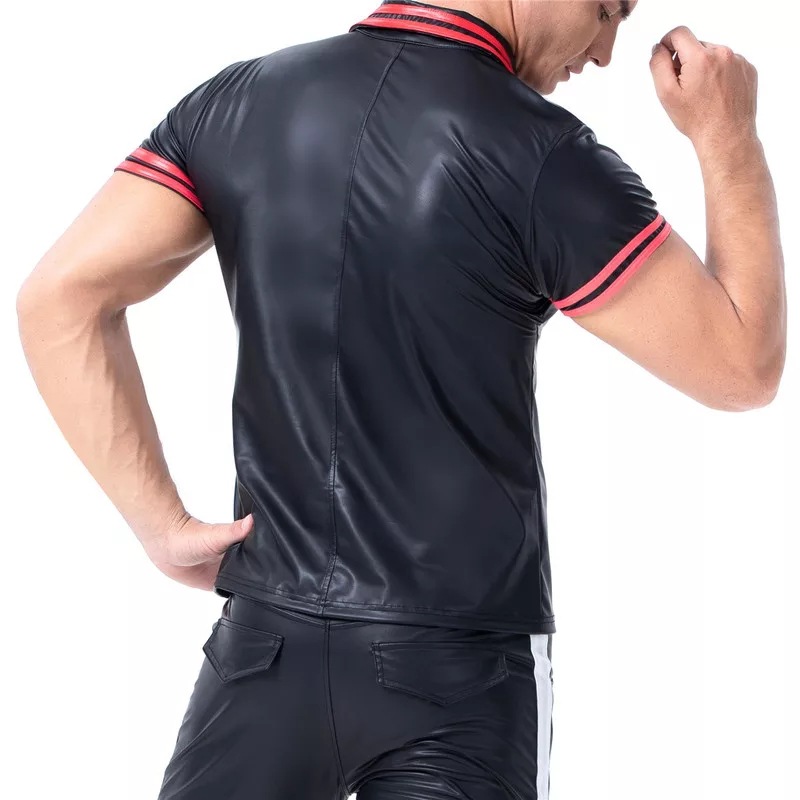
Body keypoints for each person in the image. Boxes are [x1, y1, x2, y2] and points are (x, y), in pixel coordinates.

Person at [16, 1, 785, 798]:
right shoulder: (543, 154)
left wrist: (159, 524)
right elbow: (741, 366)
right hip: (457, 673)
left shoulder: (239, 102)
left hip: (264, 648)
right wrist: (727, 138)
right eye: (604, 9)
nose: (605, 50)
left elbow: (62, 298)